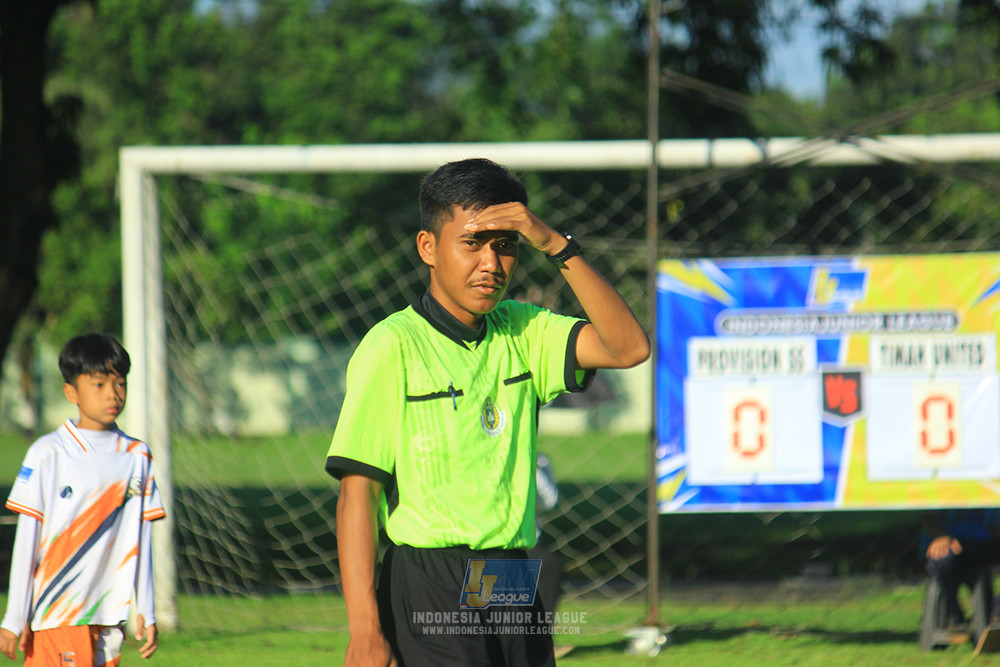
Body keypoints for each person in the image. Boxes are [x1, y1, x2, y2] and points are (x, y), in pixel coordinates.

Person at [326, 158, 650, 666]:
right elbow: (356, 494)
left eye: (506, 247)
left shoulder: (525, 330)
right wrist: (365, 629)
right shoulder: (391, 347)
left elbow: (628, 348)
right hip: (428, 576)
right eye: (472, 243)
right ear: (428, 247)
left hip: (510, 571)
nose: (491, 264)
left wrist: (555, 244)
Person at [0, 333, 165, 665]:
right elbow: (27, 541)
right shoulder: (49, 453)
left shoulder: (137, 456)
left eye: (120, 384)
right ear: (71, 391)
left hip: (109, 617)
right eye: (100, 384)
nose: (113, 394)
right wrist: (14, 618)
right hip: (60, 614)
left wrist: (146, 608)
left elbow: (141, 538)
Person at [923, 508, 1000, 635]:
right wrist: (941, 536)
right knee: (942, 560)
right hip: (946, 543)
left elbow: (996, 526)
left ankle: (995, 614)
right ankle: (956, 618)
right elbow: (928, 518)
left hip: (983, 543)